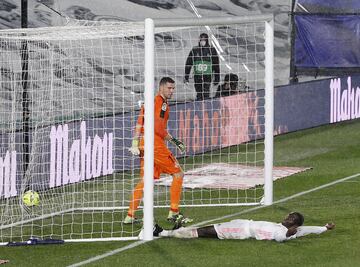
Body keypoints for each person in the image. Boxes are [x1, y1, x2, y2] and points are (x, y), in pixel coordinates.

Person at [125, 77, 191, 224]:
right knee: (178, 174)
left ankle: (130, 214)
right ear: (161, 88)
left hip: (143, 144)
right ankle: (173, 212)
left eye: (173, 88)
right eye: (169, 88)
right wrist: (174, 140)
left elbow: (139, 124)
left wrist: (135, 143)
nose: (172, 91)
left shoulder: (148, 103)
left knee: (146, 180)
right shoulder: (161, 104)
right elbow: (158, 128)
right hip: (155, 145)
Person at [153, 212, 335, 242]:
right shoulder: (288, 227)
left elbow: (280, 239)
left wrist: (288, 234)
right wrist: (324, 228)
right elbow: (309, 228)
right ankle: (171, 232)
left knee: (205, 232)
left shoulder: (284, 232)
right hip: (243, 223)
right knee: (208, 229)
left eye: (291, 218)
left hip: (243, 231)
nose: (288, 217)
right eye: (289, 215)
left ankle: (164, 233)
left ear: (295, 224)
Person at [184, 33, 220, 100]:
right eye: (201, 40)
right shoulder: (194, 50)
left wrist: (217, 78)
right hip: (198, 75)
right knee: (199, 93)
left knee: (206, 92)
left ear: (206, 40)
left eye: (204, 40)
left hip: (207, 75)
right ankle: (199, 103)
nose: (202, 41)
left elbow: (216, 65)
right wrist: (186, 76)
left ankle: (206, 105)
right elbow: (188, 63)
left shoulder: (212, 50)